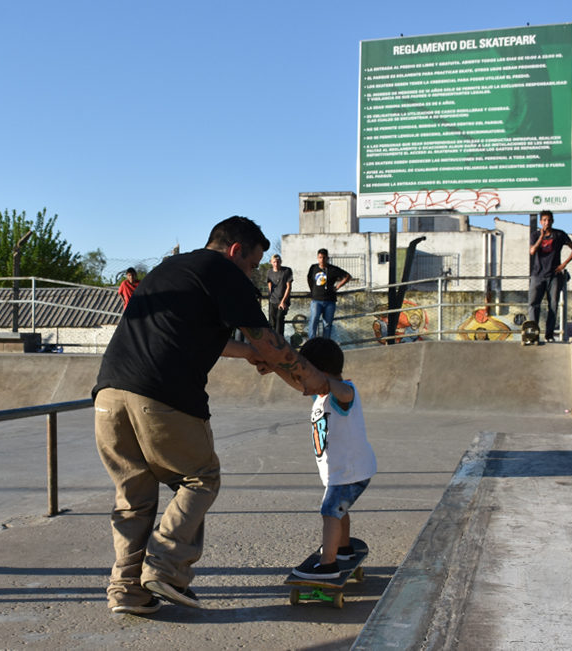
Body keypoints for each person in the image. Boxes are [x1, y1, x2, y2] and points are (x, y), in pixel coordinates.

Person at [93, 215, 332, 615]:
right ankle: (165, 568)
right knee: (200, 478)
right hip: (162, 395)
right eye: (252, 265)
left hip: (108, 396)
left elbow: (214, 341)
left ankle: (127, 590)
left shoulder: (171, 269)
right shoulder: (223, 271)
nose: (252, 274)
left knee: (134, 498)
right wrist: (312, 381)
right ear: (235, 250)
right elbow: (268, 341)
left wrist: (251, 354)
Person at [289, 337, 376, 581]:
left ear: (322, 373)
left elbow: (346, 393)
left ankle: (328, 564)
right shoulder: (321, 393)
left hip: (349, 472)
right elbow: (295, 381)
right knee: (339, 509)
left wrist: (326, 382)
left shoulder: (341, 391)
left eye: (305, 375)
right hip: (343, 471)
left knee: (330, 512)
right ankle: (343, 548)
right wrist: (277, 366)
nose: (301, 383)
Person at [527, 210, 572, 344]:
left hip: (554, 275)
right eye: (544, 220)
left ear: (553, 221)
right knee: (533, 304)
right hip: (538, 275)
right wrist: (541, 237)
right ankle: (533, 334)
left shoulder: (559, 234)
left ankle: (549, 335)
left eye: (549, 220)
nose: (547, 222)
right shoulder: (535, 235)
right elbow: (532, 251)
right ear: (540, 222)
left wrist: (563, 264)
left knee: (553, 305)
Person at [306, 248, 351, 340]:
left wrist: (337, 287)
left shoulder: (333, 269)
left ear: (327, 258)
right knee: (314, 320)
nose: (322, 260)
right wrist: (312, 290)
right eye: (320, 257)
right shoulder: (313, 268)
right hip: (316, 300)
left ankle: (326, 343)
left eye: (324, 257)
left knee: (327, 324)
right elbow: (309, 278)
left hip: (329, 301)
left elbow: (347, 276)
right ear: (317, 258)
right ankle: (312, 342)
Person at [266, 254, 293, 335]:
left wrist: (283, 301)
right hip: (273, 300)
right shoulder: (269, 272)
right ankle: (273, 340)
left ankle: (280, 340)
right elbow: (269, 283)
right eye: (274, 262)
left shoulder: (286, 271)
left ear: (281, 262)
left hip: (283, 300)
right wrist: (271, 295)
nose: (276, 264)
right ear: (271, 262)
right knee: (272, 323)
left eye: (278, 262)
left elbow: (288, 287)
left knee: (279, 320)